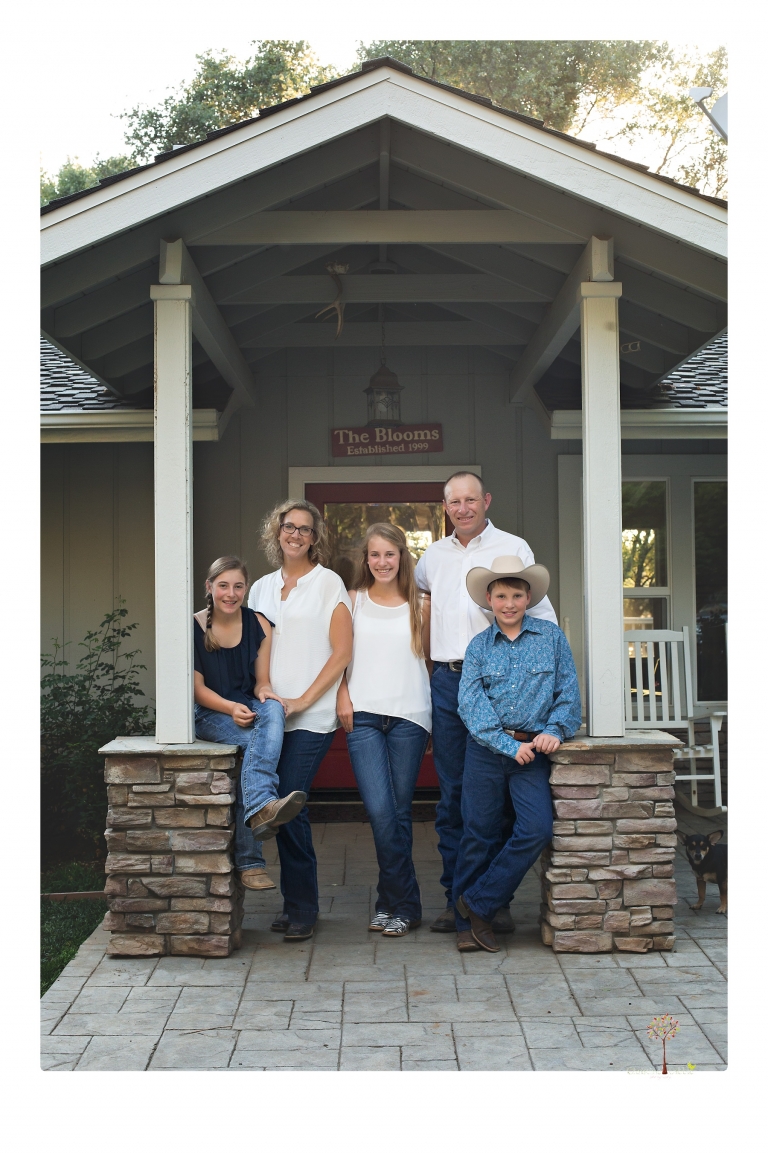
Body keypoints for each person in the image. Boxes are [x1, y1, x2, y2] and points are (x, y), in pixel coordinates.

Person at [414, 470, 558, 935]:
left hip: (505, 687)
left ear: (486, 501)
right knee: (455, 796)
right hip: (449, 684)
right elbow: (411, 603)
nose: (463, 508)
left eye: (470, 499)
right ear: (445, 507)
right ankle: (458, 898)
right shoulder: (431, 558)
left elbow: (543, 624)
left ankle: (494, 901)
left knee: (503, 804)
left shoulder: (513, 548)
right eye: (454, 501)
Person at [453, 556, 582, 952]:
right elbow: (470, 705)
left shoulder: (551, 638)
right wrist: (509, 746)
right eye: (501, 595)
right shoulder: (478, 647)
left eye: (517, 595)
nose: (509, 603)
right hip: (487, 752)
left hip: (533, 752)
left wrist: (554, 730)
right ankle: (466, 926)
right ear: (489, 599)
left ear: (528, 598)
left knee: (536, 828)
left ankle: (479, 903)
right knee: (478, 833)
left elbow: (568, 693)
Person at [248, 500, 353, 941]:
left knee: (290, 807)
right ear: (277, 533)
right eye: (288, 527)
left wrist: (304, 699)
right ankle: (295, 904)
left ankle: (303, 909)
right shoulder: (259, 588)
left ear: (315, 538)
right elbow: (251, 648)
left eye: (304, 530)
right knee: (275, 810)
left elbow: (342, 652)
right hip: (270, 718)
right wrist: (260, 690)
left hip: (312, 716)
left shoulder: (328, 584)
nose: (295, 535)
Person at [336, 523, 432, 937]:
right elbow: (337, 656)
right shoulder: (352, 601)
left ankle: (392, 904)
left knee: (397, 811)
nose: (382, 562)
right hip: (364, 716)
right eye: (375, 555)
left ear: (402, 557)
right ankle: (406, 902)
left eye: (389, 554)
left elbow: (429, 662)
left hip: (410, 716)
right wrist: (342, 695)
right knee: (380, 811)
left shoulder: (421, 604)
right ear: (366, 560)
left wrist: (432, 718)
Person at [193, 556, 308, 892]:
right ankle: (253, 854)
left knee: (272, 705)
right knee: (256, 747)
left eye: (238, 586)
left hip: (246, 709)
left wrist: (266, 693)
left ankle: (259, 813)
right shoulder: (197, 626)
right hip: (210, 714)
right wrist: (231, 708)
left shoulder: (259, 624)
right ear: (210, 587)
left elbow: (261, 683)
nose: (231, 593)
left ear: (247, 588)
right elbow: (197, 691)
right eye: (223, 585)